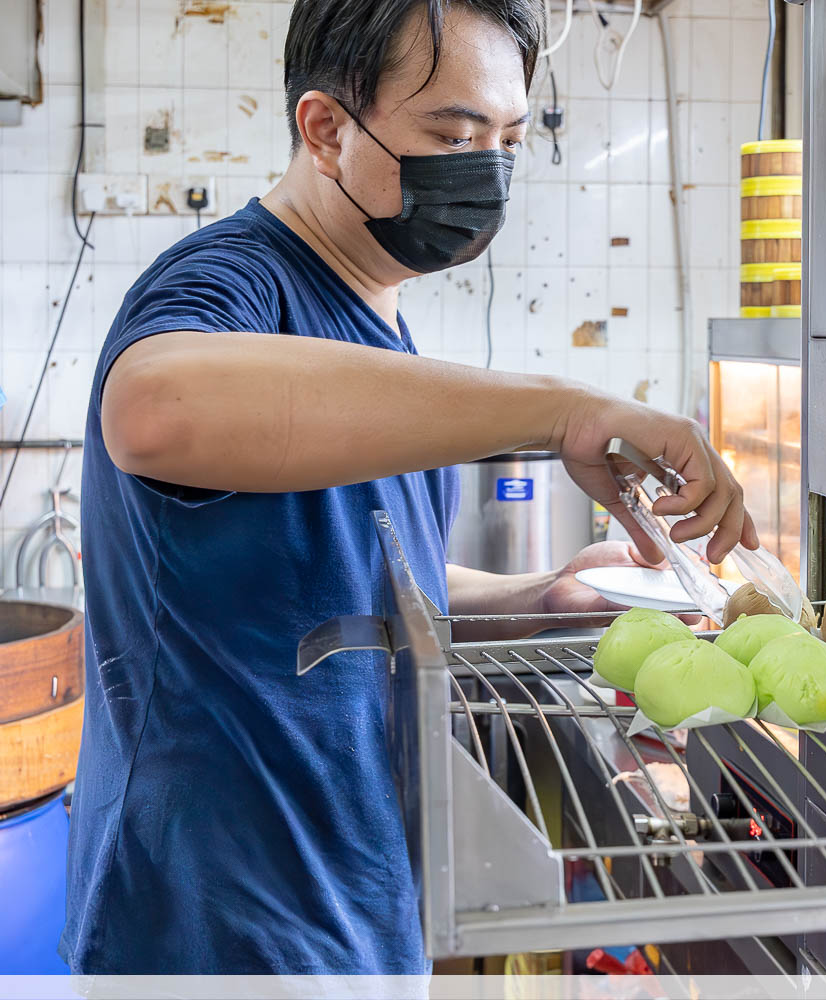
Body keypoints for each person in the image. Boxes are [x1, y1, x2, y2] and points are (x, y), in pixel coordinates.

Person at [61, 0, 753, 974]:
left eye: (509, 138)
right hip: (213, 928)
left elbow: (363, 592)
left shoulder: (378, 330)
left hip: (351, 908)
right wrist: (560, 410)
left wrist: (546, 593)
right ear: (326, 128)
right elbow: (152, 409)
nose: (489, 169)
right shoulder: (234, 280)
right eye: (456, 135)